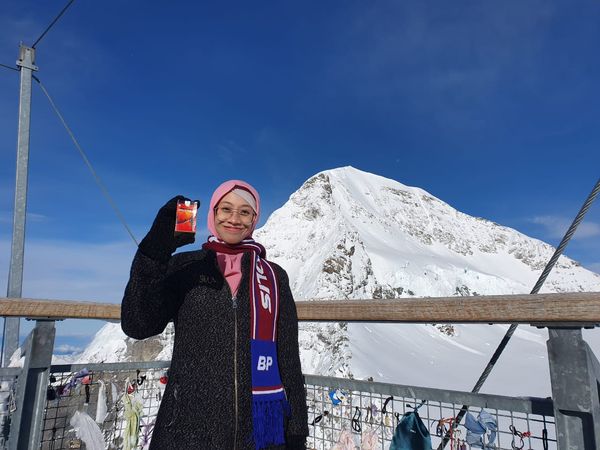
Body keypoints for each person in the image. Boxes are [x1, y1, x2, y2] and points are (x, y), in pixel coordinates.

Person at [121, 180, 309, 449]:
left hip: (257, 432)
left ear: (255, 219)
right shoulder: (185, 266)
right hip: (187, 428)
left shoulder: (273, 277)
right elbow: (137, 324)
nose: (234, 219)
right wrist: (155, 251)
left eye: (245, 212)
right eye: (226, 209)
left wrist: (296, 432)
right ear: (213, 213)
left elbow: (288, 357)